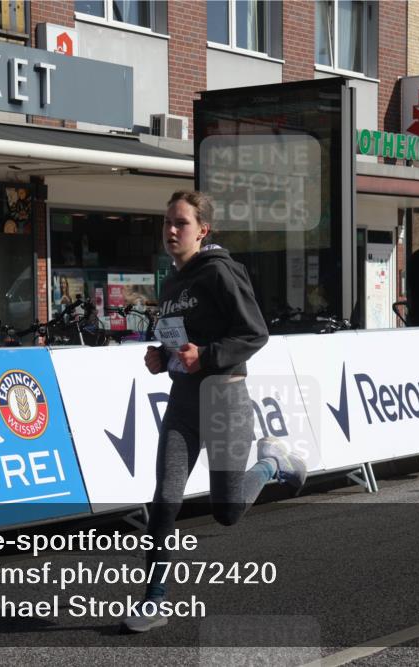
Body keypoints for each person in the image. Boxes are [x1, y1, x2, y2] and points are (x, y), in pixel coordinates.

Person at [127, 191, 306, 633]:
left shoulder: (221, 272)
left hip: (225, 398)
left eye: (181, 223)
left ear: (202, 230)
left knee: (226, 511)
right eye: (167, 222)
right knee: (164, 500)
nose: (171, 230)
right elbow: (180, 339)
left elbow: (254, 333)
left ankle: (270, 464)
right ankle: (154, 599)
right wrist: (161, 355)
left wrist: (204, 356)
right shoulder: (172, 281)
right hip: (184, 403)